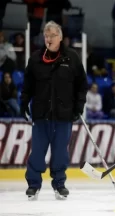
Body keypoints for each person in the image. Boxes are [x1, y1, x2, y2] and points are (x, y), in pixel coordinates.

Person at [20, 21, 88, 201]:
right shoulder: (35, 58)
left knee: (60, 153)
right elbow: (27, 86)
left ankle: (59, 183)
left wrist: (79, 105)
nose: (48, 39)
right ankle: (33, 185)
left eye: (52, 35)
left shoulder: (71, 57)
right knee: (37, 151)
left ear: (60, 37)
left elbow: (82, 85)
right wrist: (23, 103)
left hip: (63, 115)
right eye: (46, 35)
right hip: (41, 114)